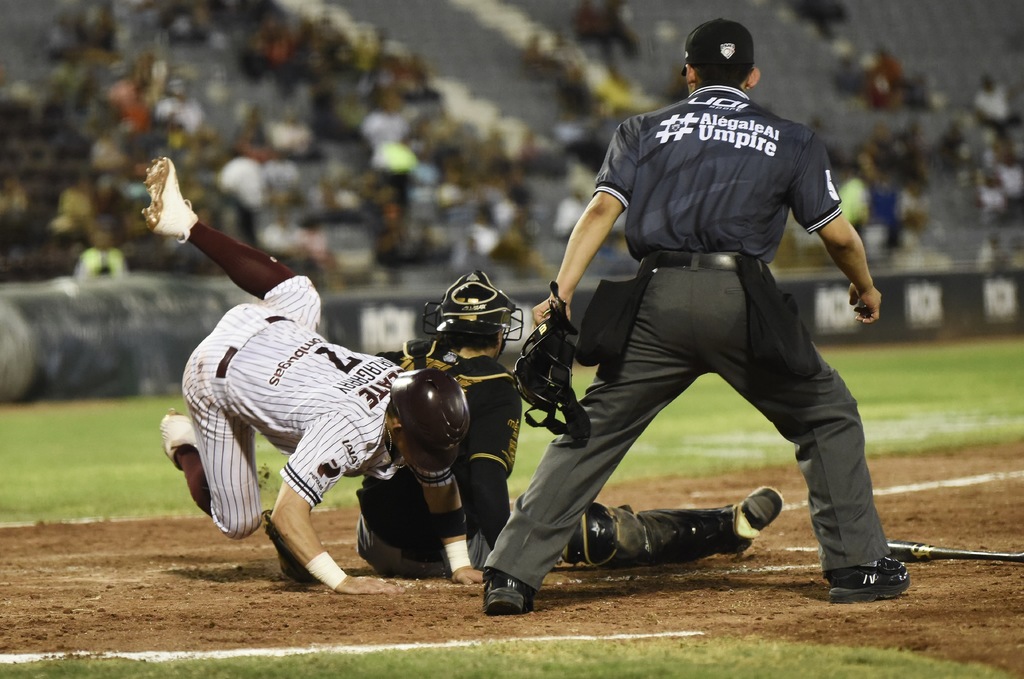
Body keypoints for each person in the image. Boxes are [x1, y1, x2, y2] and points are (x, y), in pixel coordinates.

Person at [481, 18, 909, 615]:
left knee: (591, 430)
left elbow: (602, 209)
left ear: (688, 72)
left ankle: (510, 574)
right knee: (827, 414)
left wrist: (561, 292)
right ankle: (857, 566)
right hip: (741, 300)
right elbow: (837, 235)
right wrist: (864, 287)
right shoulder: (792, 139)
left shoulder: (641, 129)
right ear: (752, 76)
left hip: (655, 298)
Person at [141, 156, 478, 596]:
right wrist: (342, 582)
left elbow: (440, 485)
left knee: (299, 292)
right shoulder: (349, 429)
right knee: (240, 522)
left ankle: (187, 224)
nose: (434, 459)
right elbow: (287, 515)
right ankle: (186, 444)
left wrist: (460, 564)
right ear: (397, 424)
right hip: (216, 370)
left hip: (271, 328)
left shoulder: (410, 397)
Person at [355, 271, 785, 578]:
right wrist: (512, 561)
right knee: (580, 526)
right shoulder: (493, 384)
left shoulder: (401, 358)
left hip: (375, 538)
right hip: (439, 549)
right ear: (498, 333)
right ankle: (725, 527)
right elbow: (485, 482)